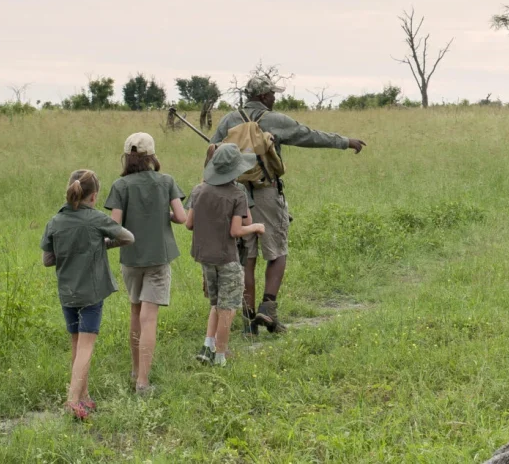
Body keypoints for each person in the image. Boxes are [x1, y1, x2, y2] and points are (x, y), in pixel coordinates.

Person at [209, 75, 366, 333]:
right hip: (267, 193)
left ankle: (249, 321)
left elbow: (214, 151)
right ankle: (267, 309)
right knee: (277, 251)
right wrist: (345, 142)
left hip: (236, 193)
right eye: (272, 93)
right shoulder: (274, 120)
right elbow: (308, 136)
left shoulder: (229, 119)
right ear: (262, 96)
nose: (275, 97)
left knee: (247, 256)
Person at [41, 169, 134, 420]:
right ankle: (72, 401)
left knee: (76, 343)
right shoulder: (96, 219)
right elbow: (128, 237)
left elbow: (48, 260)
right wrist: (103, 243)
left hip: (67, 292)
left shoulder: (55, 221)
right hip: (91, 293)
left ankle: (84, 395)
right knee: (86, 346)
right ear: (94, 197)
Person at [104, 132, 188, 396]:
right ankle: (143, 382)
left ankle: (134, 369)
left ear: (127, 157)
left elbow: (115, 227)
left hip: (130, 258)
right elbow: (182, 217)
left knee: (135, 312)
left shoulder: (121, 185)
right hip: (158, 257)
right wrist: (163, 213)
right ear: (151, 156)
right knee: (149, 317)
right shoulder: (166, 181)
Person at [187, 144, 266, 364]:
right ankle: (220, 356)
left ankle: (208, 346)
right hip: (228, 257)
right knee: (228, 307)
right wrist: (257, 227)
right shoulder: (237, 193)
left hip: (205, 257)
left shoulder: (198, 190)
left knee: (215, 303)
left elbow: (189, 223)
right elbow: (239, 228)